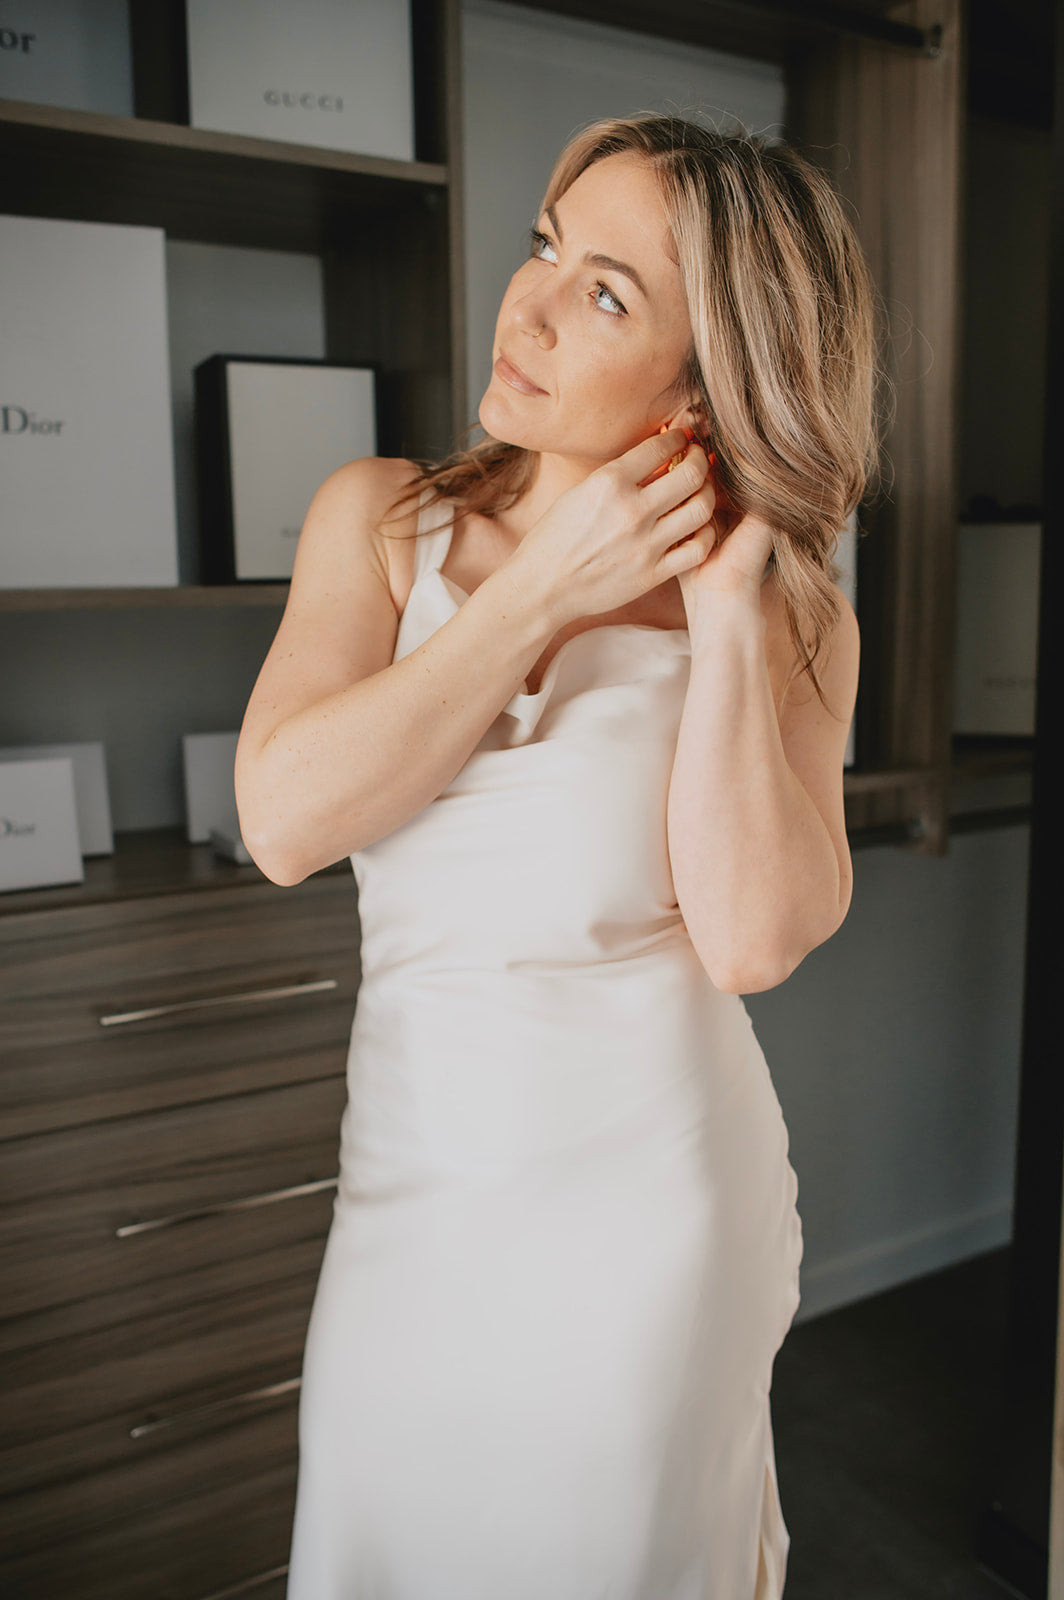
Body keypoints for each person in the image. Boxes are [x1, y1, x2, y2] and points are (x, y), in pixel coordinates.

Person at [235, 111, 877, 1600]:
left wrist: (725, 617)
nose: (523, 306)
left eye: (603, 293)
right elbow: (283, 822)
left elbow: (752, 941)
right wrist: (543, 591)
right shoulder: (379, 521)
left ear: (705, 384)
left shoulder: (792, 620)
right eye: (546, 247)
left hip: (649, 1230)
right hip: (408, 1206)